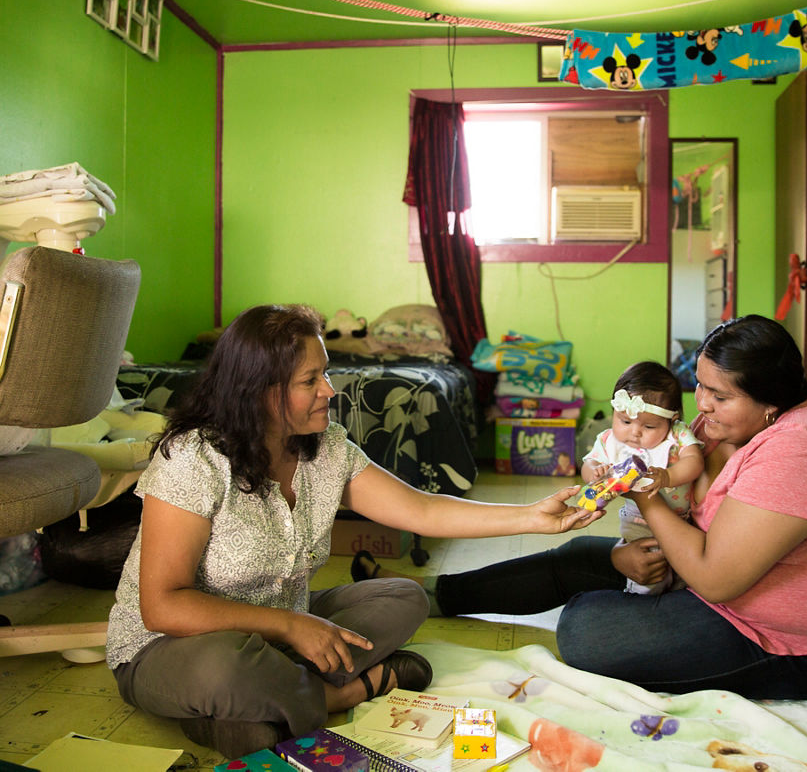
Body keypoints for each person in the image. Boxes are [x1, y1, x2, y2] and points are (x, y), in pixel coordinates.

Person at [105, 304, 600, 759]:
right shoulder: (193, 457)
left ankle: (259, 711)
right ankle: (337, 693)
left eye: (327, 373)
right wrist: (292, 628)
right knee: (226, 665)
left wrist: (534, 516)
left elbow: (423, 511)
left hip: (285, 629)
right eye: (311, 379)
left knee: (404, 597)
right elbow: (163, 605)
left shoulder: (326, 448)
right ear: (261, 389)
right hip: (170, 646)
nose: (330, 390)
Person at [356, 315, 807, 701]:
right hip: (700, 577)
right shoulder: (719, 426)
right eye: (700, 387)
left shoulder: (799, 452)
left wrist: (642, 495)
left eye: (720, 396)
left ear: (771, 401)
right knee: (582, 555)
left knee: (586, 630)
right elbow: (636, 459)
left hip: (784, 641)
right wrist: (620, 539)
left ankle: (616, 600)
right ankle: (431, 596)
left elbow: (719, 578)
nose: (703, 407)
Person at [582, 361, 704, 595]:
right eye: (625, 421)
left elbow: (694, 461)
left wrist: (668, 475)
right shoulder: (609, 440)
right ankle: (642, 602)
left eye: (648, 426)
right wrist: (595, 472)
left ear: (671, 419)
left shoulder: (677, 434)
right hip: (638, 522)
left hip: (683, 522)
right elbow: (589, 463)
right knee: (651, 576)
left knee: (682, 577)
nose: (634, 432)